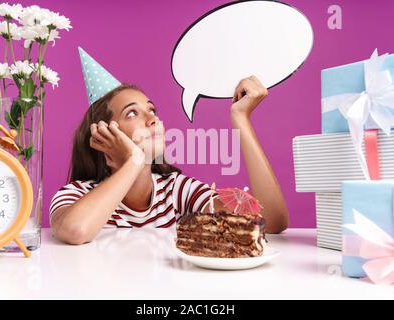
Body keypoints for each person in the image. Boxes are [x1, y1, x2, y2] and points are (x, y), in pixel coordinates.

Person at [49, 48, 288, 245]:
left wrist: (241, 118)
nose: (153, 119)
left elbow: (271, 221)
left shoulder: (176, 191)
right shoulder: (77, 194)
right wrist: (133, 161)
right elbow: (75, 230)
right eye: (132, 113)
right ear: (103, 136)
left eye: (151, 110)